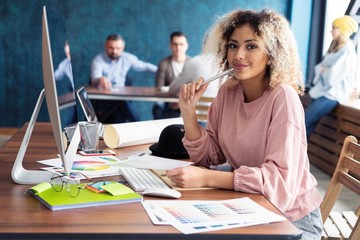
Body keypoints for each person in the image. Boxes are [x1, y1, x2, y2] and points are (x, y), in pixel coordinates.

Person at [166, 9, 323, 239]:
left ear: (272, 53)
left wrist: (207, 178)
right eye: (233, 45)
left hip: (292, 221)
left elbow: (278, 187)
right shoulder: (227, 92)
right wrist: (188, 113)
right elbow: (211, 157)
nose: (238, 55)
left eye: (251, 46)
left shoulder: (283, 97)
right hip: (251, 208)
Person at [305, 16, 358, 140]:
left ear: (343, 30)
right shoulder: (334, 47)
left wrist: (325, 69)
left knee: (305, 121)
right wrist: (325, 70)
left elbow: (332, 77)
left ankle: (295, 156)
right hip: (321, 91)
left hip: (332, 94)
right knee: (307, 124)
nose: (331, 31)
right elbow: (321, 68)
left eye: (334, 28)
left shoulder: (347, 51)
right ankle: (297, 156)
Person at [90, 34, 157, 123]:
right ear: (105, 46)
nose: (114, 51)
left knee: (124, 102)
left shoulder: (127, 58)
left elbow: (144, 66)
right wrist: (100, 79)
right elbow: (95, 77)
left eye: (118, 48)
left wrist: (162, 71)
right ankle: (140, 125)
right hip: (105, 97)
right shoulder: (97, 60)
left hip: (122, 95)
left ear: (123, 48)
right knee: (125, 103)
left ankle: (139, 124)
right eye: (111, 48)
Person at [153, 31, 191, 119]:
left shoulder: (192, 64)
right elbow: (159, 88)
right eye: (175, 44)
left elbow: (195, 88)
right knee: (157, 108)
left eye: (181, 44)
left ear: (186, 45)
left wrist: (180, 100)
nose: (178, 48)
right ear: (170, 45)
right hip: (167, 100)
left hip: (187, 100)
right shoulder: (163, 64)